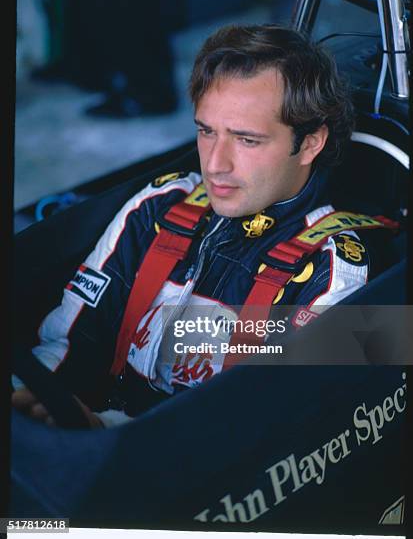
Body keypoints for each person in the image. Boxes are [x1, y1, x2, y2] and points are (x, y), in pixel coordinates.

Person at [12, 24, 395, 428]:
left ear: (311, 143)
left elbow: (262, 441)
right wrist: (36, 398)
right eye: (206, 131)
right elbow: (68, 339)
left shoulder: (332, 272)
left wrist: (103, 432)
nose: (214, 165)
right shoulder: (159, 207)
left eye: (247, 140)